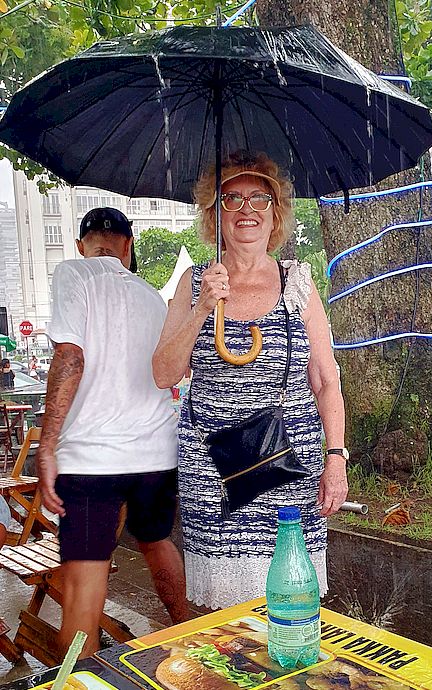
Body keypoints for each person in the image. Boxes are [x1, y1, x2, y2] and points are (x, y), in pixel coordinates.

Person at [153, 151, 348, 610]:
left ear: (275, 212)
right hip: (213, 471)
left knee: (290, 598)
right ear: (213, 213)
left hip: (288, 465)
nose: (246, 210)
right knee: (225, 620)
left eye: (259, 199)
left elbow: (325, 379)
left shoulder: (297, 280)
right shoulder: (193, 282)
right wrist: (202, 307)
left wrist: (335, 459)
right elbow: (164, 373)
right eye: (231, 198)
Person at [37, 207, 190, 659]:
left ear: (81, 244)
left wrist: (47, 445)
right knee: (159, 543)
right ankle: (191, 640)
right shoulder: (151, 296)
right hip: (156, 455)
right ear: (127, 246)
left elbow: (70, 356)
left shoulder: (73, 274)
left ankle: (79, 680)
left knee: (85, 588)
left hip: (91, 460)